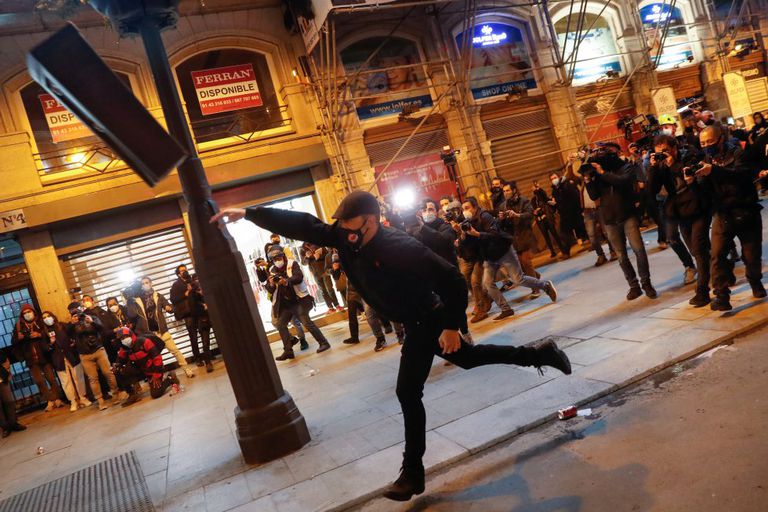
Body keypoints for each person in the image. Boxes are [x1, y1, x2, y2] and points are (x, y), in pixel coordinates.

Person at [212, 190, 571, 502]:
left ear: (371, 222)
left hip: (427, 318)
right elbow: (303, 224)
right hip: (412, 321)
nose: (347, 238)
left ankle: (412, 473)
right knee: (471, 359)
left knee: (406, 392)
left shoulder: (401, 247)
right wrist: (248, 214)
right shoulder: (344, 236)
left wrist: (449, 326)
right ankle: (540, 353)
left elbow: (452, 281)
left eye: (353, 230)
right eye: (344, 230)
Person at [697, 124, 765, 310]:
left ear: (721, 139)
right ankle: (721, 295)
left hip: (746, 211)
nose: (706, 146)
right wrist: (697, 180)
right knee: (717, 255)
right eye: (702, 143)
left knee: (751, 255)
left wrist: (713, 171)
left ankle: (755, 281)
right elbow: (706, 191)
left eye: (710, 141)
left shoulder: (738, 154)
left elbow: (740, 176)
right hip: (723, 214)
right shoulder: (706, 160)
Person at [458, 196, 557, 321]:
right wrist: (462, 236)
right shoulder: (468, 224)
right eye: (463, 209)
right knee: (487, 283)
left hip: (503, 251)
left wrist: (477, 234)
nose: (464, 211)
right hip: (490, 257)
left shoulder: (485, 217)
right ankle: (506, 309)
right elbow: (470, 245)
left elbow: (495, 235)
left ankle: (545, 285)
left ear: (475, 207)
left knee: (518, 279)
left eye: (467, 208)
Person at [586, 143, 658, 300]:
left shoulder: (626, 167)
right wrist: (588, 179)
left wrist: (602, 172)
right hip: (610, 219)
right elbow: (593, 195)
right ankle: (634, 286)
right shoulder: (598, 174)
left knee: (639, 250)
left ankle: (646, 283)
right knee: (621, 256)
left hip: (627, 215)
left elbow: (622, 182)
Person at [648, 134, 711, 306]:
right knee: (696, 250)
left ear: (674, 148)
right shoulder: (660, 166)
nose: (663, 154)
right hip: (680, 212)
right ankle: (722, 269)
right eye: (659, 152)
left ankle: (703, 291)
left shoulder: (689, 156)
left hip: (698, 208)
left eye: (666, 151)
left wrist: (672, 164)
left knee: (698, 249)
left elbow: (689, 176)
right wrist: (654, 168)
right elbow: (652, 189)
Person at [266, 245, 331, 360]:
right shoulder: (272, 270)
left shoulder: (292, 264)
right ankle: (288, 351)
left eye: (279, 258)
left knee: (306, 322)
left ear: (283, 256)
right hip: (284, 303)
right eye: (274, 259)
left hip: (298, 300)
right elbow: (270, 288)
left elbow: (298, 277)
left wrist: (286, 281)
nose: (277, 261)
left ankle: (324, 343)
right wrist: (271, 284)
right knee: (280, 324)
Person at [66, 301, 124, 410]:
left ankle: (116, 394)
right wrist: (71, 324)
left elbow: (102, 328)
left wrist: (92, 322)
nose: (77, 312)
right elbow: (67, 335)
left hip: (98, 349)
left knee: (108, 373)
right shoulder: (71, 324)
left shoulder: (91, 317)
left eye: (78, 308)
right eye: (73, 310)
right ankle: (100, 401)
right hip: (84, 354)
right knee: (93, 378)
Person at [133, 276, 194, 378]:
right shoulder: (138, 300)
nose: (145, 285)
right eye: (143, 284)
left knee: (174, 350)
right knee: (153, 357)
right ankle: (157, 377)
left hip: (162, 330)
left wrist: (168, 308)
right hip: (149, 334)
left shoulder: (158, 296)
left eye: (147, 282)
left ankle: (187, 369)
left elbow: (170, 307)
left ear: (151, 283)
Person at [12, 304, 63, 412]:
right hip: (30, 358)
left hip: (44, 356)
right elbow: (14, 342)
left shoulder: (40, 322)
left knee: (51, 379)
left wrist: (39, 334)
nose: (27, 314)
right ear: (22, 315)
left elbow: (50, 333)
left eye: (29, 312)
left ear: (33, 312)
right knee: (39, 381)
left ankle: (57, 398)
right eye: (24, 313)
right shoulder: (18, 326)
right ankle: (50, 400)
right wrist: (19, 338)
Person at [113, 327, 180, 406]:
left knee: (156, 393)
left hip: (153, 370)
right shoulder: (124, 349)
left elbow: (157, 357)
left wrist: (156, 375)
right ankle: (132, 394)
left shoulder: (144, 341)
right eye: (122, 338)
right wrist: (116, 365)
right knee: (118, 370)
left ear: (131, 335)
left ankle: (170, 378)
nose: (124, 340)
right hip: (141, 370)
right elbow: (119, 360)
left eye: (125, 336)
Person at [498, 182, 543, 296]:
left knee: (526, 262)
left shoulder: (524, 201)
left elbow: (530, 215)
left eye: (507, 190)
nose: (505, 193)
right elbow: (502, 226)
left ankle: (535, 289)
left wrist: (518, 215)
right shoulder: (503, 206)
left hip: (524, 235)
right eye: (504, 191)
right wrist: (501, 219)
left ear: (514, 190)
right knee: (520, 266)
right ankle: (535, 276)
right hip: (513, 239)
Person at [569, 158, 616, 266]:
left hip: (599, 208)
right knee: (592, 236)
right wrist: (570, 165)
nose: (586, 173)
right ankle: (601, 255)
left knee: (607, 232)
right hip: (587, 211)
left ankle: (613, 251)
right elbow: (569, 177)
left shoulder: (596, 179)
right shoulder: (582, 181)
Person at [42, 311, 91, 412]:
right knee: (66, 382)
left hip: (71, 355)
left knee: (78, 377)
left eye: (48, 316)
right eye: (44, 317)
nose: (47, 318)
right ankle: (73, 401)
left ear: (53, 316)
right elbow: (45, 348)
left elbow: (72, 334)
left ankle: (83, 398)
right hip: (58, 360)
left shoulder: (62, 325)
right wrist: (51, 344)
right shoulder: (44, 332)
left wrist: (73, 343)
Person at [170, 265, 213, 373]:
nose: (184, 272)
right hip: (188, 314)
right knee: (193, 337)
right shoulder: (176, 285)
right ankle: (198, 358)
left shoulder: (192, 280)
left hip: (199, 311)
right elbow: (173, 299)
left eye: (185, 270)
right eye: (182, 271)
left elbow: (199, 293)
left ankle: (207, 358)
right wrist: (185, 294)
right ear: (178, 273)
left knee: (204, 335)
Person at [301, 243, 342, 313]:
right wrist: (307, 257)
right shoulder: (302, 248)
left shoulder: (317, 242)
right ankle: (330, 307)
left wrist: (320, 256)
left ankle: (337, 305)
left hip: (324, 270)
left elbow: (327, 255)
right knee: (323, 290)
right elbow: (303, 263)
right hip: (315, 273)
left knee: (330, 288)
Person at [531, 181, 567, 257]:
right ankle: (552, 251)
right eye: (533, 187)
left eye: (536, 186)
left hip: (548, 217)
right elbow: (532, 210)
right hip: (540, 220)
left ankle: (562, 248)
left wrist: (539, 189)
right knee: (546, 236)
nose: (535, 188)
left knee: (554, 233)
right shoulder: (533, 200)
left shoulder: (544, 197)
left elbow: (544, 196)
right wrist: (535, 211)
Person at [0, 355, 26, 437]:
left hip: (2, 377)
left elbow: (4, 358)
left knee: (9, 401)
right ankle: (5, 427)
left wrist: (8, 371)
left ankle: (13, 423)